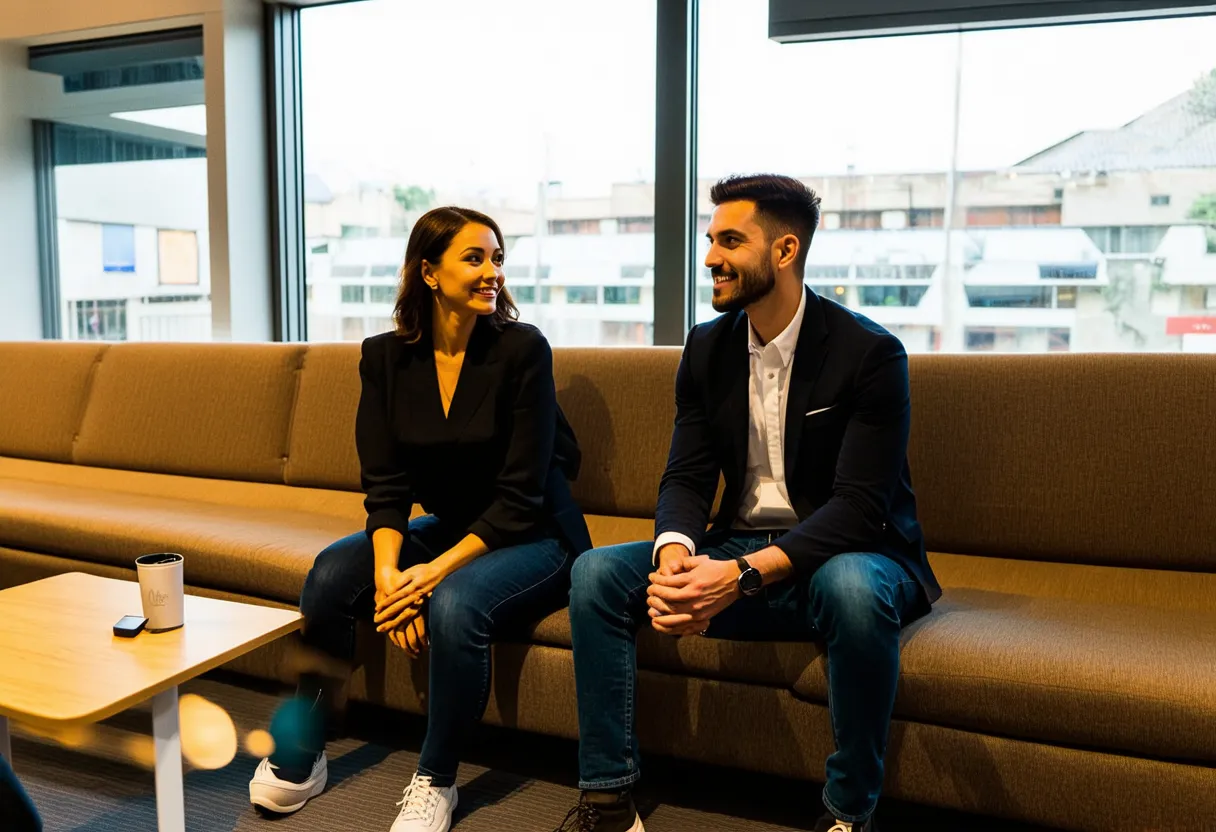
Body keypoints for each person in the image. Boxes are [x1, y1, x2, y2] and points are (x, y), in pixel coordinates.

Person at [555, 174, 941, 832]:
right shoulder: (708, 347)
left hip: (854, 554)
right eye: (711, 240)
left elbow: (857, 508)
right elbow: (686, 475)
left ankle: (849, 814)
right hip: (737, 544)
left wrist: (737, 577)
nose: (710, 257)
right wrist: (676, 553)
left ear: (785, 251)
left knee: (851, 589)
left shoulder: (869, 353)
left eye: (731, 241)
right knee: (594, 574)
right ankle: (609, 800)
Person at [249, 206, 591, 832]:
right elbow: (385, 485)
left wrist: (426, 578)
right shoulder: (384, 358)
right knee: (329, 576)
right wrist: (389, 578)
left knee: (457, 603)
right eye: (475, 258)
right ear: (429, 272)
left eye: (497, 259)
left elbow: (520, 496)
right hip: (454, 528)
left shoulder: (522, 350)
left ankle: (437, 780)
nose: (492, 272)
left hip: (536, 534)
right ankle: (305, 750)